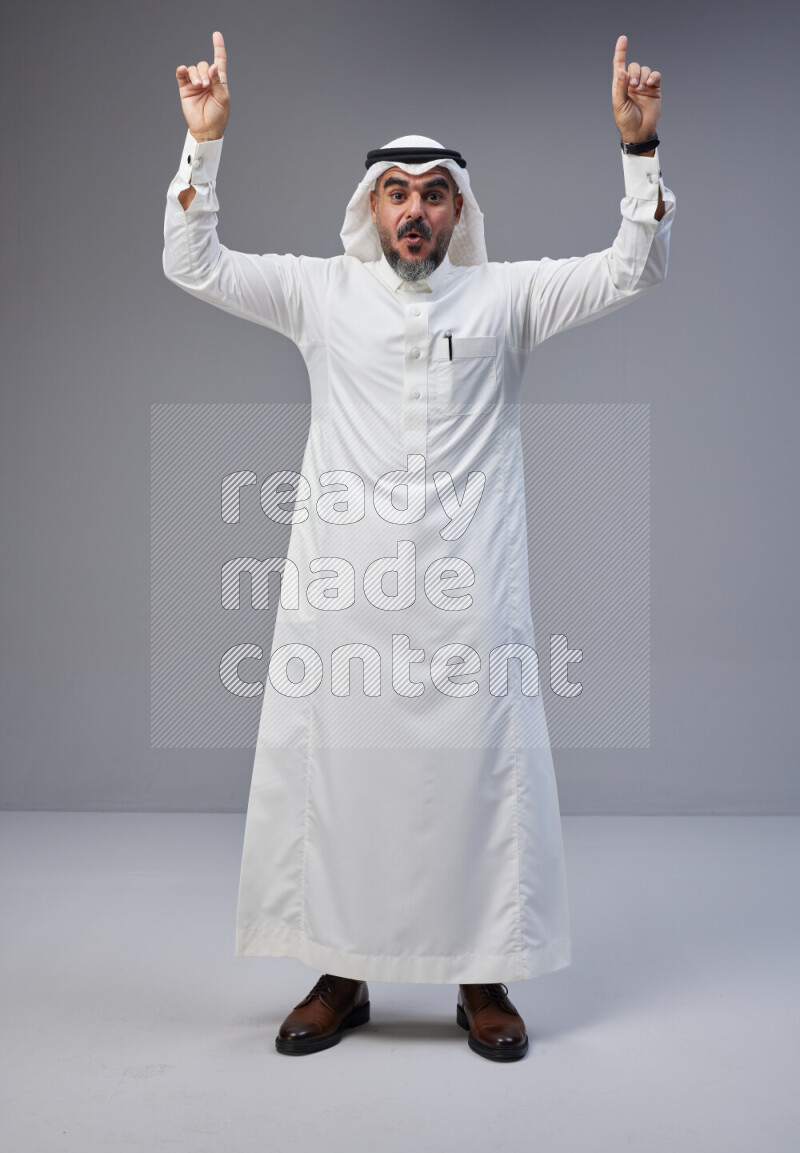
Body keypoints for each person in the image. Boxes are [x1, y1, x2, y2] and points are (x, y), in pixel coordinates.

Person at [163, 30, 675, 1062]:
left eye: (433, 192)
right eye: (395, 192)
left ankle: (481, 981)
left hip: (467, 596)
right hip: (342, 593)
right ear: (370, 210)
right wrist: (203, 144)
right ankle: (339, 975)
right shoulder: (321, 294)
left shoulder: (507, 297)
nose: (413, 209)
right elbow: (192, 260)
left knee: (478, 778)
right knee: (343, 782)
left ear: (458, 210)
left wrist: (638, 149)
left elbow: (635, 267)